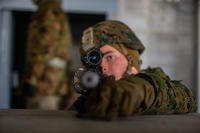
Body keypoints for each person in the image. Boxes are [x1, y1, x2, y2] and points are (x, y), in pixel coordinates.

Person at [74, 20, 196, 120]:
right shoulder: (89, 102)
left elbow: (187, 99)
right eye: (94, 63)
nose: (102, 67)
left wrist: (139, 91)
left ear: (131, 59)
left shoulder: (155, 83)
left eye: (109, 57)